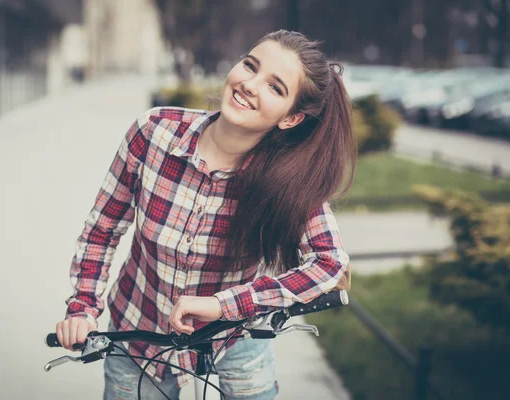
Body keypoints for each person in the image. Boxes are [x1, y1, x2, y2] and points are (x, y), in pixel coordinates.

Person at [55, 29, 356, 400]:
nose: (250, 84)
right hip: (138, 334)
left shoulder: (285, 177)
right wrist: (82, 308)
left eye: (275, 88)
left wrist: (223, 305)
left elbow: (330, 263)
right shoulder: (154, 132)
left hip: (234, 342)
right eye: (250, 66)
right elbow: (102, 229)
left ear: (290, 119)